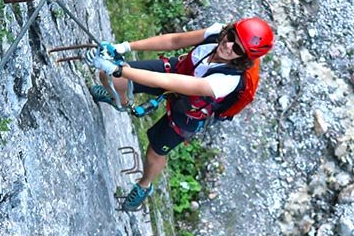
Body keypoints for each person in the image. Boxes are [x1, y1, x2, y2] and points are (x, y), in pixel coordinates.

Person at [84, 17, 275, 211]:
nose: (228, 45)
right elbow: (174, 40)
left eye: (237, 49)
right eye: (231, 36)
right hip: (181, 70)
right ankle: (121, 102)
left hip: (189, 110)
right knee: (109, 78)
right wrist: (124, 47)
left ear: (242, 58)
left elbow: (167, 82)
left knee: (155, 151)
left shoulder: (227, 81)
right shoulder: (216, 33)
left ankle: (144, 186)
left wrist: (118, 69)